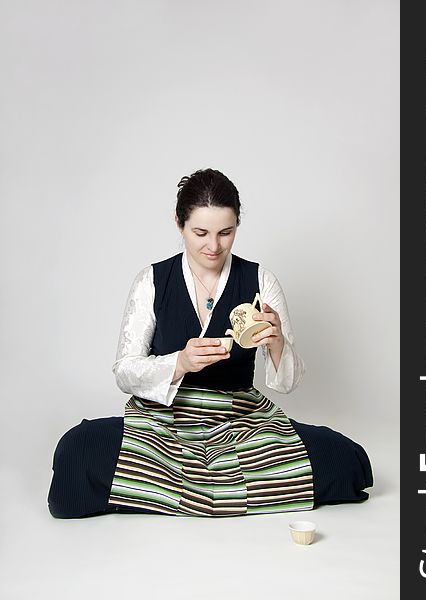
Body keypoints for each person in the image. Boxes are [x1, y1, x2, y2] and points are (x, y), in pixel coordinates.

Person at [47, 168, 373, 519]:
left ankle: (157, 490)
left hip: (241, 423)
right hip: (163, 424)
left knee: (343, 457)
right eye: (200, 232)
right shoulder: (152, 281)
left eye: (226, 232)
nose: (213, 246)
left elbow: (289, 383)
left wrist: (277, 343)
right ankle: (235, 489)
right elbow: (124, 371)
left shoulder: (260, 280)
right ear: (179, 223)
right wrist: (180, 363)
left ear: (236, 227)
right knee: (77, 450)